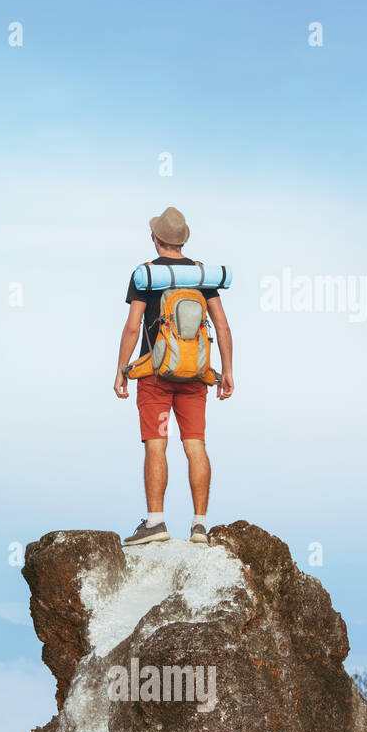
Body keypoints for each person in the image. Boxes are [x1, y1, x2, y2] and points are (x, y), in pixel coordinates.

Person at [112, 206, 234, 546]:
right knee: (195, 445)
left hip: (155, 376)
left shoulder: (146, 275)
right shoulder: (200, 275)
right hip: (196, 376)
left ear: (155, 238)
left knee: (157, 444)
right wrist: (227, 371)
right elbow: (222, 326)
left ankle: (156, 523)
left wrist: (122, 370)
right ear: (182, 241)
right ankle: (199, 526)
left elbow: (133, 326)